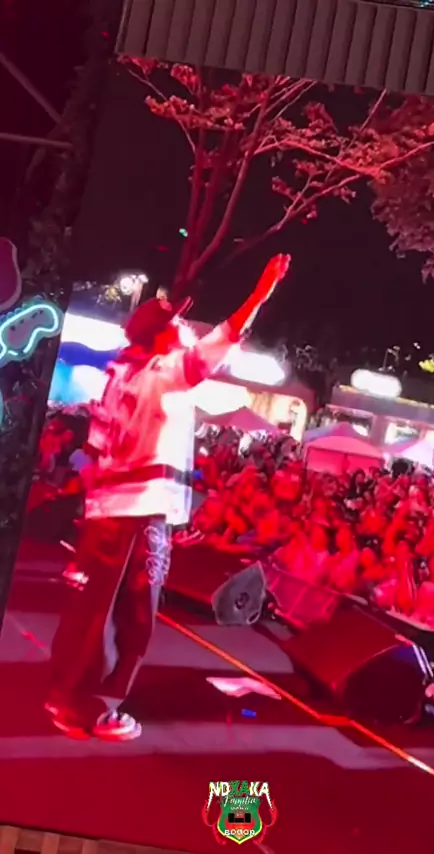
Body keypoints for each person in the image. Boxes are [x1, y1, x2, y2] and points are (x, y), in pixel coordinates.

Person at [46, 253, 291, 740]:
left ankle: (67, 695)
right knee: (134, 616)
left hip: (108, 511)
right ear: (161, 337)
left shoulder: (119, 373)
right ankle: (96, 708)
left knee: (93, 609)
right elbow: (222, 340)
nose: (185, 328)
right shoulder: (163, 372)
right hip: (140, 514)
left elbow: (95, 448)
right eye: (177, 324)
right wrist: (260, 293)